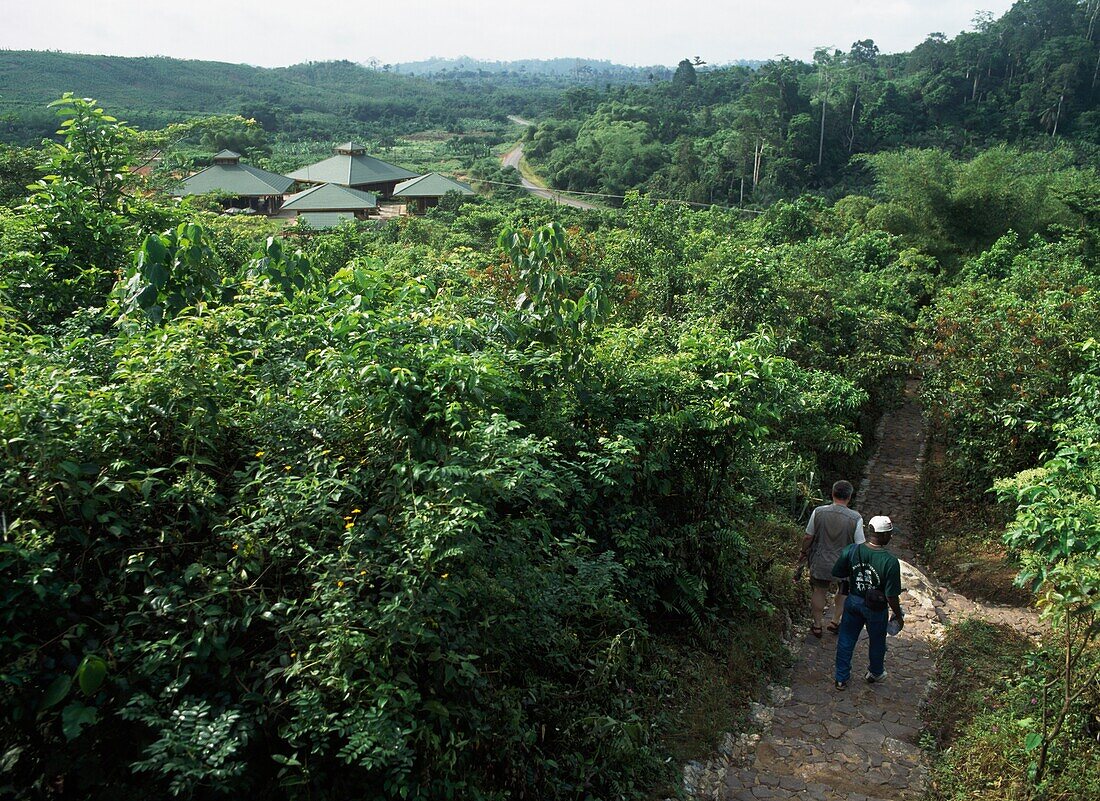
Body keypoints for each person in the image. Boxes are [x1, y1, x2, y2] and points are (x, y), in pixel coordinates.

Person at [831, 515, 905, 690]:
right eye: (890, 533)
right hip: (876, 607)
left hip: (854, 601)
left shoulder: (852, 550)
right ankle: (875, 672)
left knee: (846, 639)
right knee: (877, 641)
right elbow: (891, 595)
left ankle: (841, 678)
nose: (891, 537)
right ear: (885, 535)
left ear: (870, 532)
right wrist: (897, 614)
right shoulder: (890, 562)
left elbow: (837, 571)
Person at [796, 480, 864, 638]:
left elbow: (808, 536)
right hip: (845, 563)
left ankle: (817, 625)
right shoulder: (856, 518)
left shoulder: (818, 512)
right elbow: (859, 544)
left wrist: (803, 552)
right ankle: (834, 621)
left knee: (819, 591)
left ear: (833, 494)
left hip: (821, 560)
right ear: (849, 497)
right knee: (843, 592)